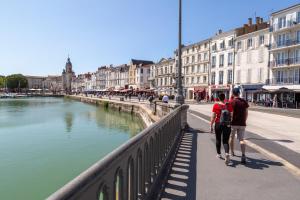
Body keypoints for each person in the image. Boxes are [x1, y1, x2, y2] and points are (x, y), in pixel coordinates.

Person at [210, 93, 233, 165]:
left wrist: (211, 125)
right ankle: (226, 153)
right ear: (224, 98)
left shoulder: (216, 105)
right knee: (225, 140)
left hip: (218, 124)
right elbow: (232, 115)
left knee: (218, 139)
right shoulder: (228, 105)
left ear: (218, 98)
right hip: (227, 124)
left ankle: (219, 154)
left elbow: (213, 116)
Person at [230, 88, 249, 164]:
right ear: (239, 93)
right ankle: (243, 155)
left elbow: (231, 113)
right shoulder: (244, 102)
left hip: (233, 123)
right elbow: (247, 113)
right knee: (241, 140)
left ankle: (232, 152)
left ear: (233, 93)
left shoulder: (232, 102)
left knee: (231, 138)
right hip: (242, 123)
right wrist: (244, 120)